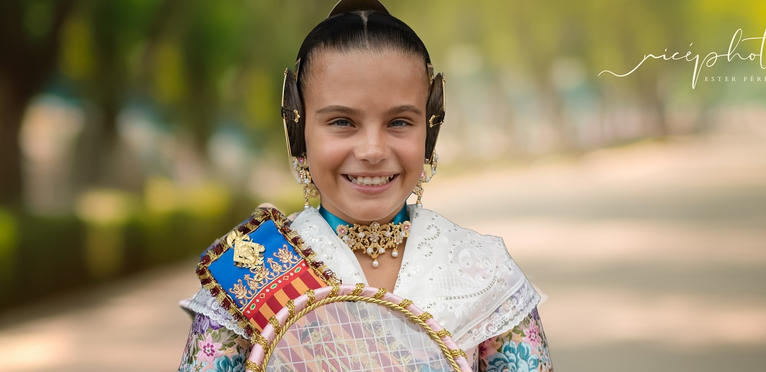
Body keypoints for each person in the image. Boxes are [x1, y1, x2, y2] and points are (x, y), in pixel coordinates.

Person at [178, 1, 553, 371]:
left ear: (430, 131)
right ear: (299, 132)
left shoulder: (485, 273)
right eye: (342, 122)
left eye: (400, 122)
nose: (373, 150)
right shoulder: (250, 268)